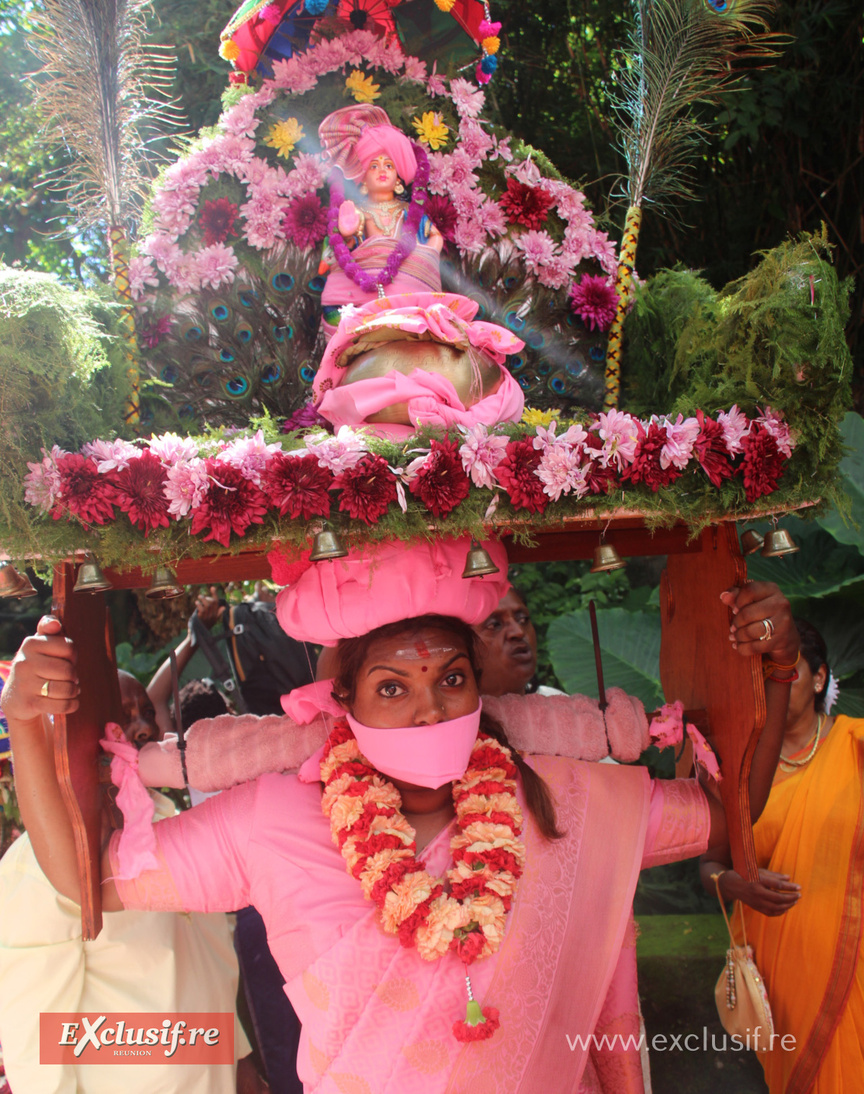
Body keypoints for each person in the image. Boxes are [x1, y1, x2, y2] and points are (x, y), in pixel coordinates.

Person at [2, 538, 798, 1093]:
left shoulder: (559, 800)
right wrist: (28, 728)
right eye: (392, 688)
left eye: (450, 680)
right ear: (342, 702)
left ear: (477, 688)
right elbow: (84, 879)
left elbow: (730, 817)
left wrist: (776, 673)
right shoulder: (273, 822)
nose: (428, 710)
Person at [0, 670, 255, 1094]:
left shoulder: (169, 821)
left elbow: (207, 960)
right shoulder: (36, 866)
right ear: (79, 733)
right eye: (123, 714)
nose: (142, 727)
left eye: (146, 713)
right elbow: (34, 1037)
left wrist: (240, 1061)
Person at [700, 620, 863, 1093]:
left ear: (818, 678)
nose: (770, 686)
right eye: (759, 676)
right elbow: (710, 865)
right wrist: (730, 884)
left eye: (782, 673)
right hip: (781, 973)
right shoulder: (731, 769)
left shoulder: (856, 748)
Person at [318, 104, 443, 340]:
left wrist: (424, 257)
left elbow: (436, 237)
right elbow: (340, 252)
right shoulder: (357, 210)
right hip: (361, 293)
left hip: (407, 287)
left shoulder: (409, 212)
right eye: (374, 166)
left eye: (389, 165)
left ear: (398, 179)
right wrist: (348, 233)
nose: (381, 171)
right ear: (363, 179)